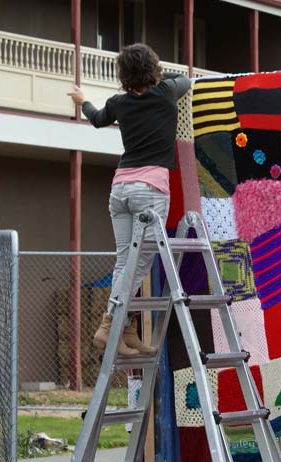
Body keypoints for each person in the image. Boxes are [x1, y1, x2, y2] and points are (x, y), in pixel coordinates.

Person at [67, 43, 191, 356]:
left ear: (123, 74)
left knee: (125, 262)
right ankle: (109, 323)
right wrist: (158, 73)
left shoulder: (118, 103)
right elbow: (185, 80)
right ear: (153, 69)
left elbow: (97, 118)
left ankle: (127, 328)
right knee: (137, 265)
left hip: (120, 188)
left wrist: (83, 102)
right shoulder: (165, 92)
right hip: (149, 190)